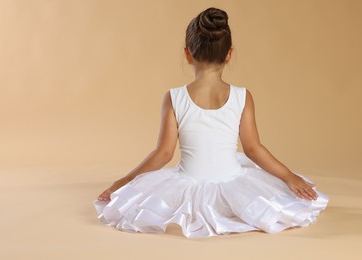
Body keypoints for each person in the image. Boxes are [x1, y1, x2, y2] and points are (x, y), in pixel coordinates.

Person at [93, 7, 329, 238]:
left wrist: (123, 182)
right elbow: (253, 149)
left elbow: (163, 154)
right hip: (234, 184)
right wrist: (288, 177)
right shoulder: (243, 97)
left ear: (188, 54)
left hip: (188, 184)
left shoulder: (174, 98)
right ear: (229, 54)